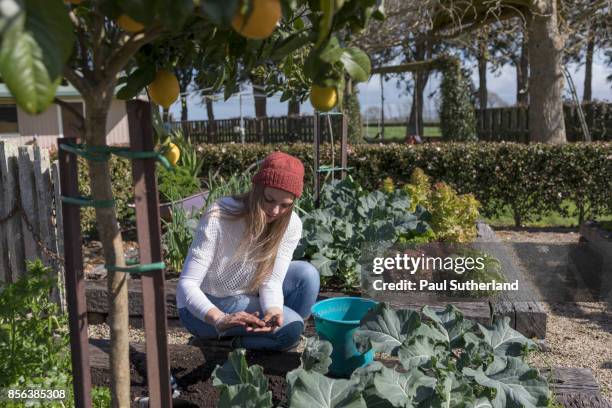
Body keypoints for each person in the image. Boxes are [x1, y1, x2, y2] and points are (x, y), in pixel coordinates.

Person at [176, 152, 320, 351]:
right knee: (291, 330)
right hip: (206, 305)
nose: (275, 211)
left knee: (307, 275)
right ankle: (220, 344)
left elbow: (271, 281)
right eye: (269, 199)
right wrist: (220, 319)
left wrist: (274, 309)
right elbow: (187, 284)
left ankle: (275, 336)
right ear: (257, 189)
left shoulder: (291, 224)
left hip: (248, 294)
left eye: (285, 205)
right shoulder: (221, 216)